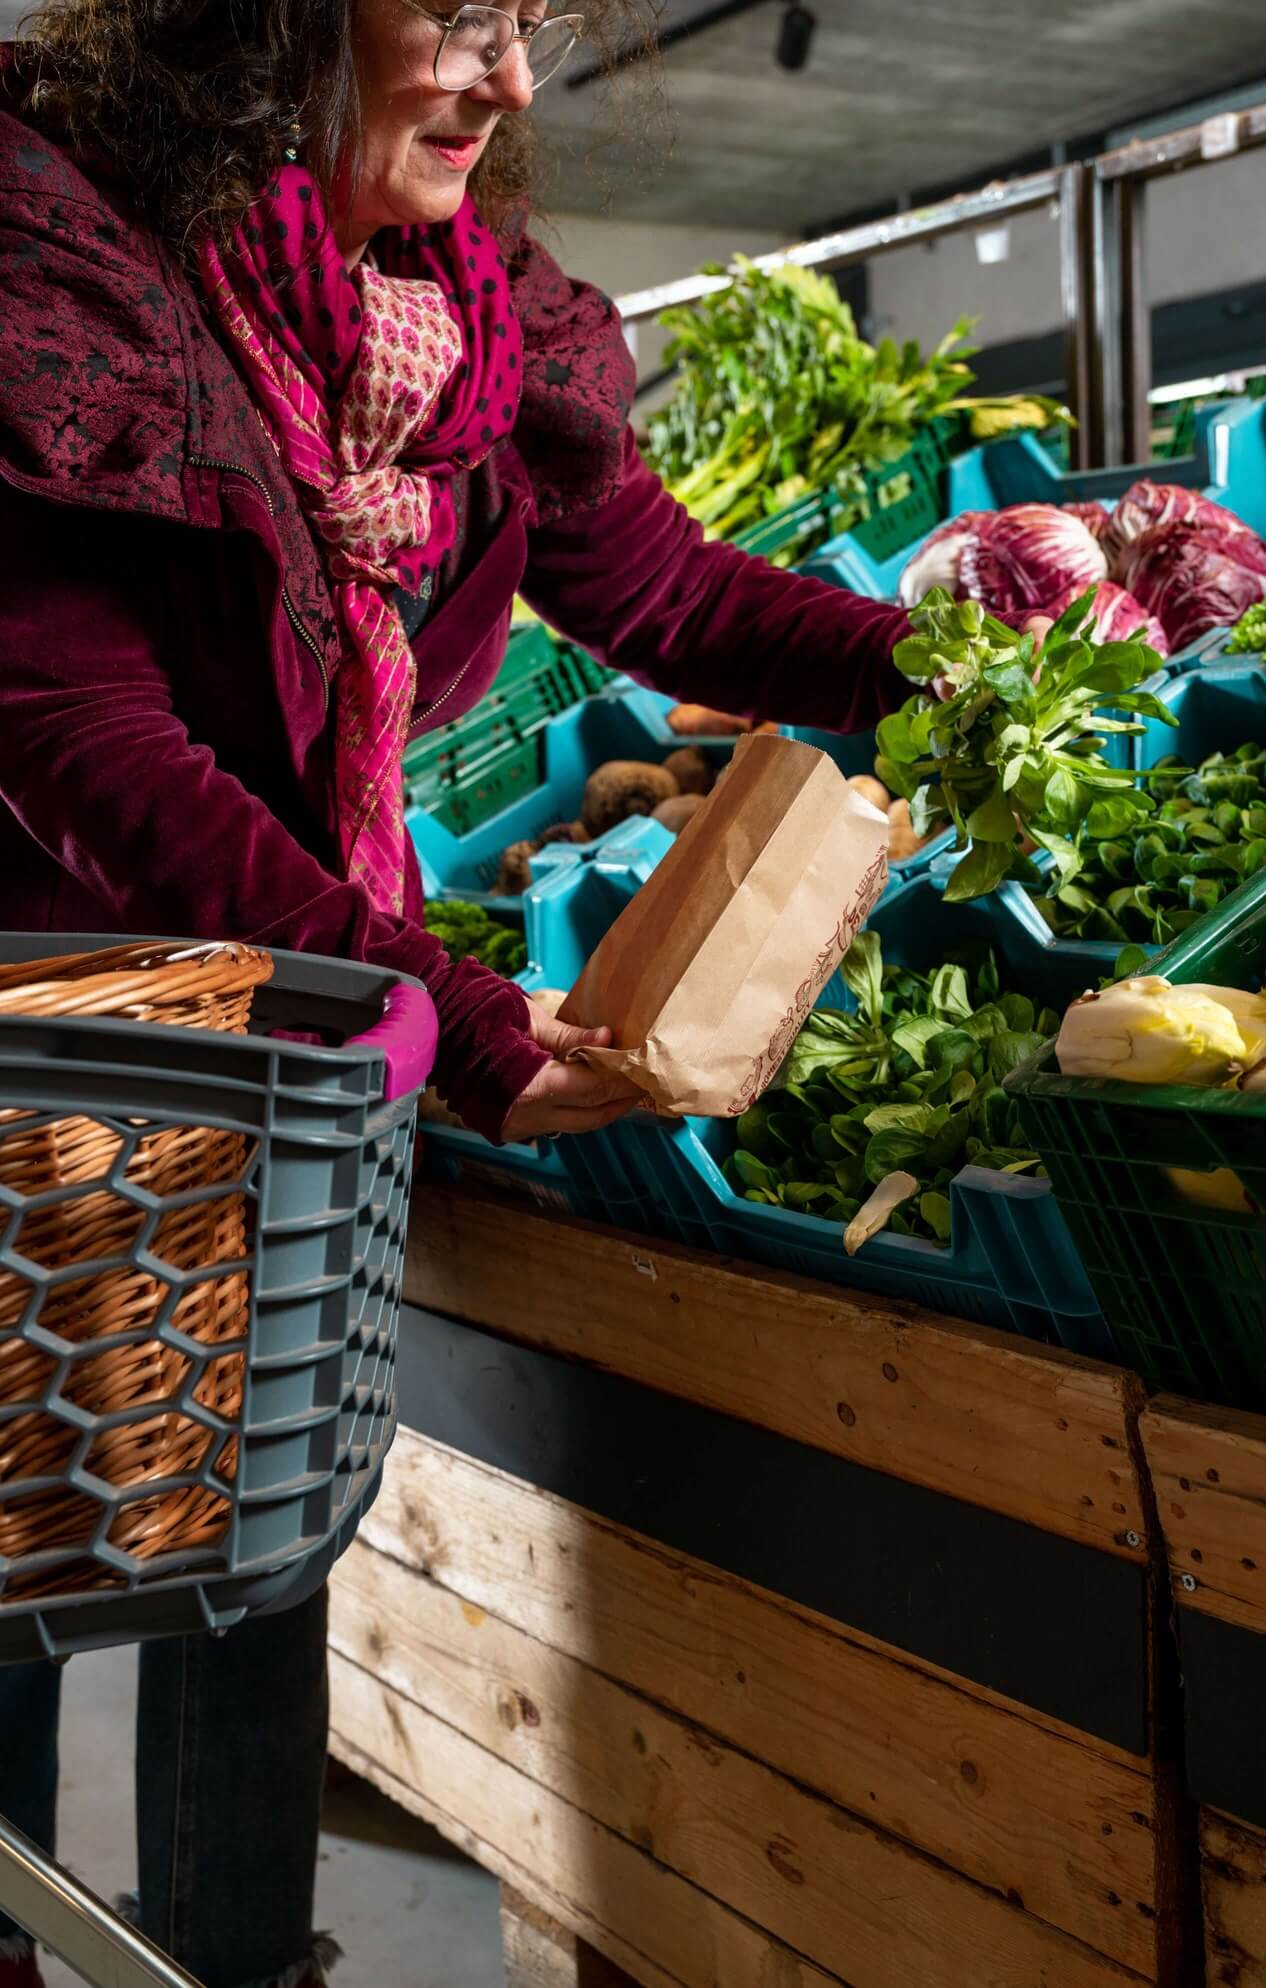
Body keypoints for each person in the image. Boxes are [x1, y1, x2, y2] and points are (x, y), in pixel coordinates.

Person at [0, 1, 918, 1981]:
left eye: (537, 25)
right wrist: (445, 1008)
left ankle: (238, 1959)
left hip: (279, 1075)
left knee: (250, 1560)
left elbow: (663, 591)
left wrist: (934, 677)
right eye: (462, 15)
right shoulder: (63, 276)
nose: (513, 83)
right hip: (45, 1039)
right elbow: (83, 732)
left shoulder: (453, 316)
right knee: (16, 1567)